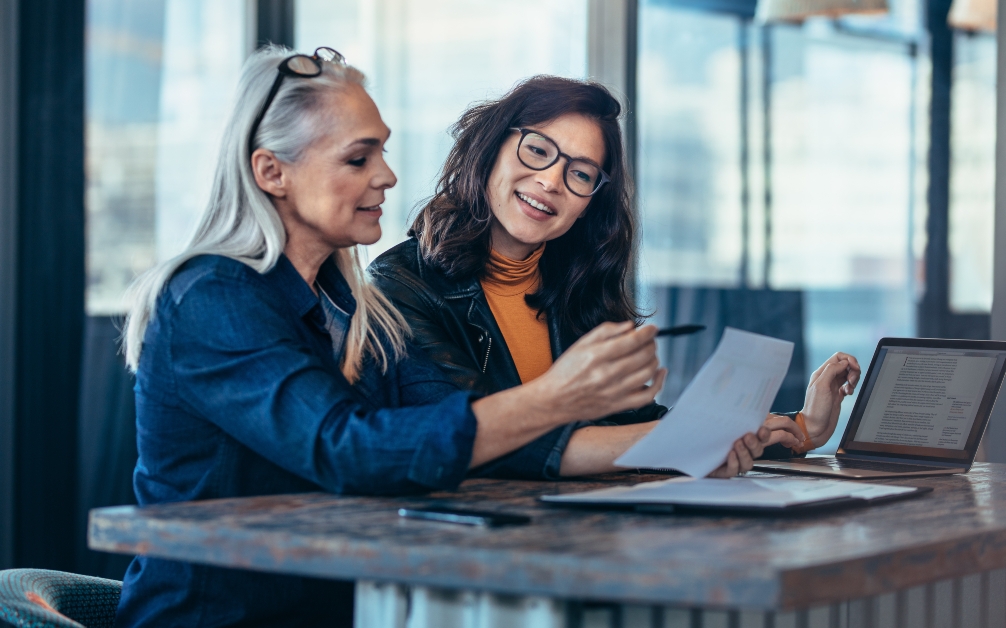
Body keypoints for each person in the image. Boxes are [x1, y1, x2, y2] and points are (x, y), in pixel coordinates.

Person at [115, 48, 776, 628]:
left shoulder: (351, 304)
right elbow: (347, 450)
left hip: (354, 607)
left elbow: (474, 430)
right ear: (271, 172)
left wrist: (690, 444)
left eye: (382, 150)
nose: (388, 176)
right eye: (358, 157)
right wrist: (559, 396)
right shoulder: (212, 297)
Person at [369, 76, 861, 475]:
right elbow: (478, 439)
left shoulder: (575, 288)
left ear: (589, 205)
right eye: (537, 150)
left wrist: (801, 427)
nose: (551, 181)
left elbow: (633, 426)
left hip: (579, 538)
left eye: (580, 174)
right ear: (490, 149)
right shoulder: (399, 286)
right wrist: (688, 442)